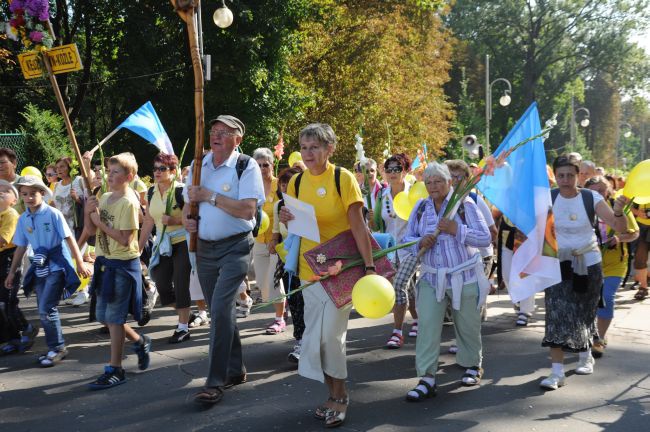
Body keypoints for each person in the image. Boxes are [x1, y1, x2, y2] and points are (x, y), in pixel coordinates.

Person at [279, 123, 375, 428]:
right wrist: (285, 217)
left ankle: (340, 396)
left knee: (332, 338)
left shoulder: (342, 178)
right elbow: (295, 227)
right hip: (310, 272)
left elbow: (358, 226)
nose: (308, 153)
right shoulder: (295, 183)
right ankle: (332, 393)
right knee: (316, 340)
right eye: (304, 147)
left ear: (329, 149)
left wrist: (369, 267)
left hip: (341, 269)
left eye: (315, 147)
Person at [183, 115, 264, 406]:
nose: (216, 135)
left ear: (237, 140)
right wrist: (187, 222)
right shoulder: (196, 166)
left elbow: (247, 211)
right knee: (223, 311)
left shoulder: (246, 165)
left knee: (218, 309)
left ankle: (215, 381)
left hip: (236, 247)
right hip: (204, 249)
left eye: (224, 132)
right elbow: (186, 206)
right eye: (214, 130)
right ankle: (235, 369)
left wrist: (210, 196)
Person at [401, 162, 491, 401]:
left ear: (449, 182)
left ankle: (473, 365)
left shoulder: (464, 204)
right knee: (427, 327)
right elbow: (406, 239)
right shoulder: (420, 208)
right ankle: (427, 378)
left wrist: (456, 229)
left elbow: (485, 238)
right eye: (428, 182)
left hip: (465, 276)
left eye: (438, 181)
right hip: (431, 277)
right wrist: (420, 242)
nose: (433, 186)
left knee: (467, 325)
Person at [539, 155, 629, 390]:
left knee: (583, 312)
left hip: (588, 262)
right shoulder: (549, 198)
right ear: (555, 176)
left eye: (570, 175)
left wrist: (619, 211)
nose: (566, 180)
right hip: (558, 264)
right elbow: (534, 230)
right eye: (561, 175)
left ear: (579, 176)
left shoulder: (591, 197)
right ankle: (556, 372)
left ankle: (585, 355)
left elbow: (621, 228)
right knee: (556, 313)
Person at [6, 175, 90, 367]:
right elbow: (20, 246)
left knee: (46, 308)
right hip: (40, 267)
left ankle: (58, 348)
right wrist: (12, 272)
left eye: (33, 193)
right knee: (44, 309)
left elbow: (69, 239)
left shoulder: (53, 214)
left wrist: (79, 263)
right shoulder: (23, 218)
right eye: (24, 194)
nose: (28, 198)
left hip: (57, 265)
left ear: (42, 193)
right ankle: (54, 347)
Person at [85, 153, 151, 389]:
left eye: (115, 172)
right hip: (104, 262)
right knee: (104, 316)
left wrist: (100, 222)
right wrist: (89, 211)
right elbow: (93, 229)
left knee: (114, 318)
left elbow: (125, 239)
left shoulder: (129, 202)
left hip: (121, 265)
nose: (109, 176)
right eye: (108, 172)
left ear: (129, 177)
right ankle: (139, 340)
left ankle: (116, 368)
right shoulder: (104, 197)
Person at [139, 153, 193, 343]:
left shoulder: (181, 191)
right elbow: (148, 221)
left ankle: (183, 327)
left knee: (180, 283)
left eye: (162, 169)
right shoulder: (151, 192)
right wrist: (138, 249)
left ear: (173, 171)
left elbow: (193, 219)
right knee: (162, 285)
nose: (157, 172)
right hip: (162, 244)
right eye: (155, 168)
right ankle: (185, 313)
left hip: (182, 244)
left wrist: (174, 220)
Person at [584, 176, 638, 357]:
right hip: (589, 262)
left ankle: (599, 338)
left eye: (601, 190)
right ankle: (588, 334)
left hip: (615, 263)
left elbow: (634, 232)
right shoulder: (582, 207)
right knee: (589, 302)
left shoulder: (617, 207)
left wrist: (619, 238)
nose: (598, 194)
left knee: (606, 297)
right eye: (593, 191)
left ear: (608, 190)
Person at [373, 153, 419, 348]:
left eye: (397, 169)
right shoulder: (381, 196)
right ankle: (418, 320)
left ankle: (397, 333)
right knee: (408, 287)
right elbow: (378, 223)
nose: (392, 173)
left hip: (412, 249)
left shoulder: (415, 194)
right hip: (391, 249)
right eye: (388, 169)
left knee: (399, 285)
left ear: (405, 171)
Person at [270, 166, 305, 362]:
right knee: (294, 301)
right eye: (283, 182)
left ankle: (309, 341)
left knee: (306, 301)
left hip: (308, 259)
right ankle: (300, 340)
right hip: (287, 260)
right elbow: (276, 230)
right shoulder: (278, 205)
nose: (285, 186)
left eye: (290, 182)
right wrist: (273, 242)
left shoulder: (305, 204)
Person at [0, 180, 37, 354]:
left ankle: (26, 328)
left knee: (8, 301)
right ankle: (10, 338)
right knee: (1, 303)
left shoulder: (11, 214)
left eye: (5, 191)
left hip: (9, 259)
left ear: (14, 200)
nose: (0, 192)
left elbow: (3, 240)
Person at [251, 147, 286, 334]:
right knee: (263, 283)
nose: (263, 168)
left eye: (266, 164)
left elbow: (285, 210)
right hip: (258, 239)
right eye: (259, 165)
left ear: (272, 165)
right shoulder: (251, 186)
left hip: (277, 240)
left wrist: (275, 237)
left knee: (274, 280)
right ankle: (282, 308)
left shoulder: (279, 185)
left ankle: (279, 319)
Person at [52, 157, 89, 305]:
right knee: (67, 260)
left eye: (62, 166)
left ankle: (84, 291)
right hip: (62, 228)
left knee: (77, 257)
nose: (59, 170)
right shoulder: (57, 185)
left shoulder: (78, 181)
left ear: (69, 167)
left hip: (77, 227)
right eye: (57, 167)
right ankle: (74, 288)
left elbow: (89, 199)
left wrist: (78, 199)